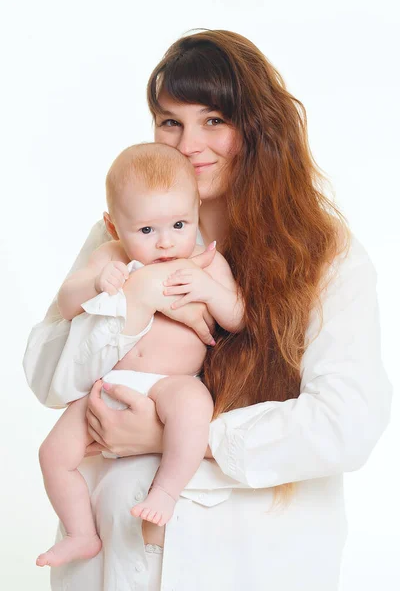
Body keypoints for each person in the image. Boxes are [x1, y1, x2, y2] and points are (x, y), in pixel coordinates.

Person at [24, 30, 392, 591]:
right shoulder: (122, 235)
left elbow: (347, 423)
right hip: (111, 565)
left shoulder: (322, 252)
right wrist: (137, 297)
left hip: (247, 563)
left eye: (214, 120)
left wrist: (182, 438)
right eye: (171, 121)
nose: (189, 144)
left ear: (256, 127)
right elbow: (47, 377)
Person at [36, 142, 244, 568]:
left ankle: (165, 492)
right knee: (52, 455)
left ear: (196, 209)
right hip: (110, 384)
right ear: (115, 227)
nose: (166, 243)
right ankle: (80, 533)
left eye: (179, 224)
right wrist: (96, 283)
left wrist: (209, 291)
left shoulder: (207, 262)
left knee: (193, 408)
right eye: (146, 231)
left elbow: (239, 317)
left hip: (173, 382)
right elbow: (66, 302)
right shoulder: (110, 255)